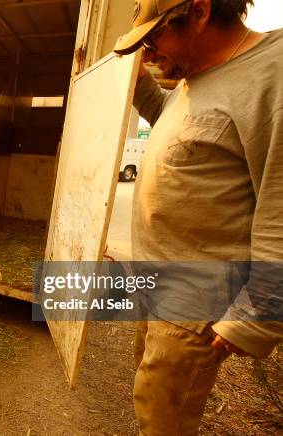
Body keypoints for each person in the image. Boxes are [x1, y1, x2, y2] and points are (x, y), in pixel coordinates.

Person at [113, 0, 282, 434]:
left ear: (201, 11)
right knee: (148, 392)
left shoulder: (272, 75)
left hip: (196, 300)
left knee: (164, 418)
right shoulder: (195, 79)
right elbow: (181, 129)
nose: (148, 54)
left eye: (153, 39)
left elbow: (279, 210)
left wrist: (257, 315)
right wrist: (129, 80)